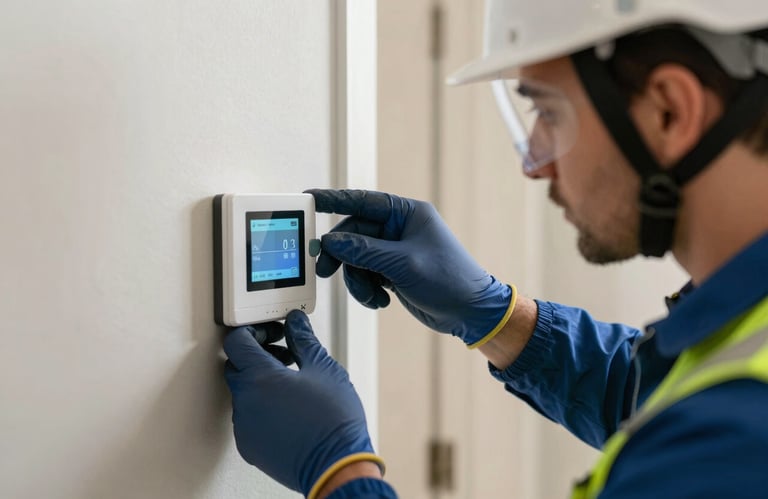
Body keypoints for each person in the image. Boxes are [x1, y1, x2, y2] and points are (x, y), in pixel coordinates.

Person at [222, 1, 768, 498]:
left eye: (549, 114)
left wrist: (340, 474)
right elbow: (654, 396)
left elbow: (699, 427)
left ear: (669, 111)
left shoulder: (735, 436)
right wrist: (498, 314)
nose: (534, 164)